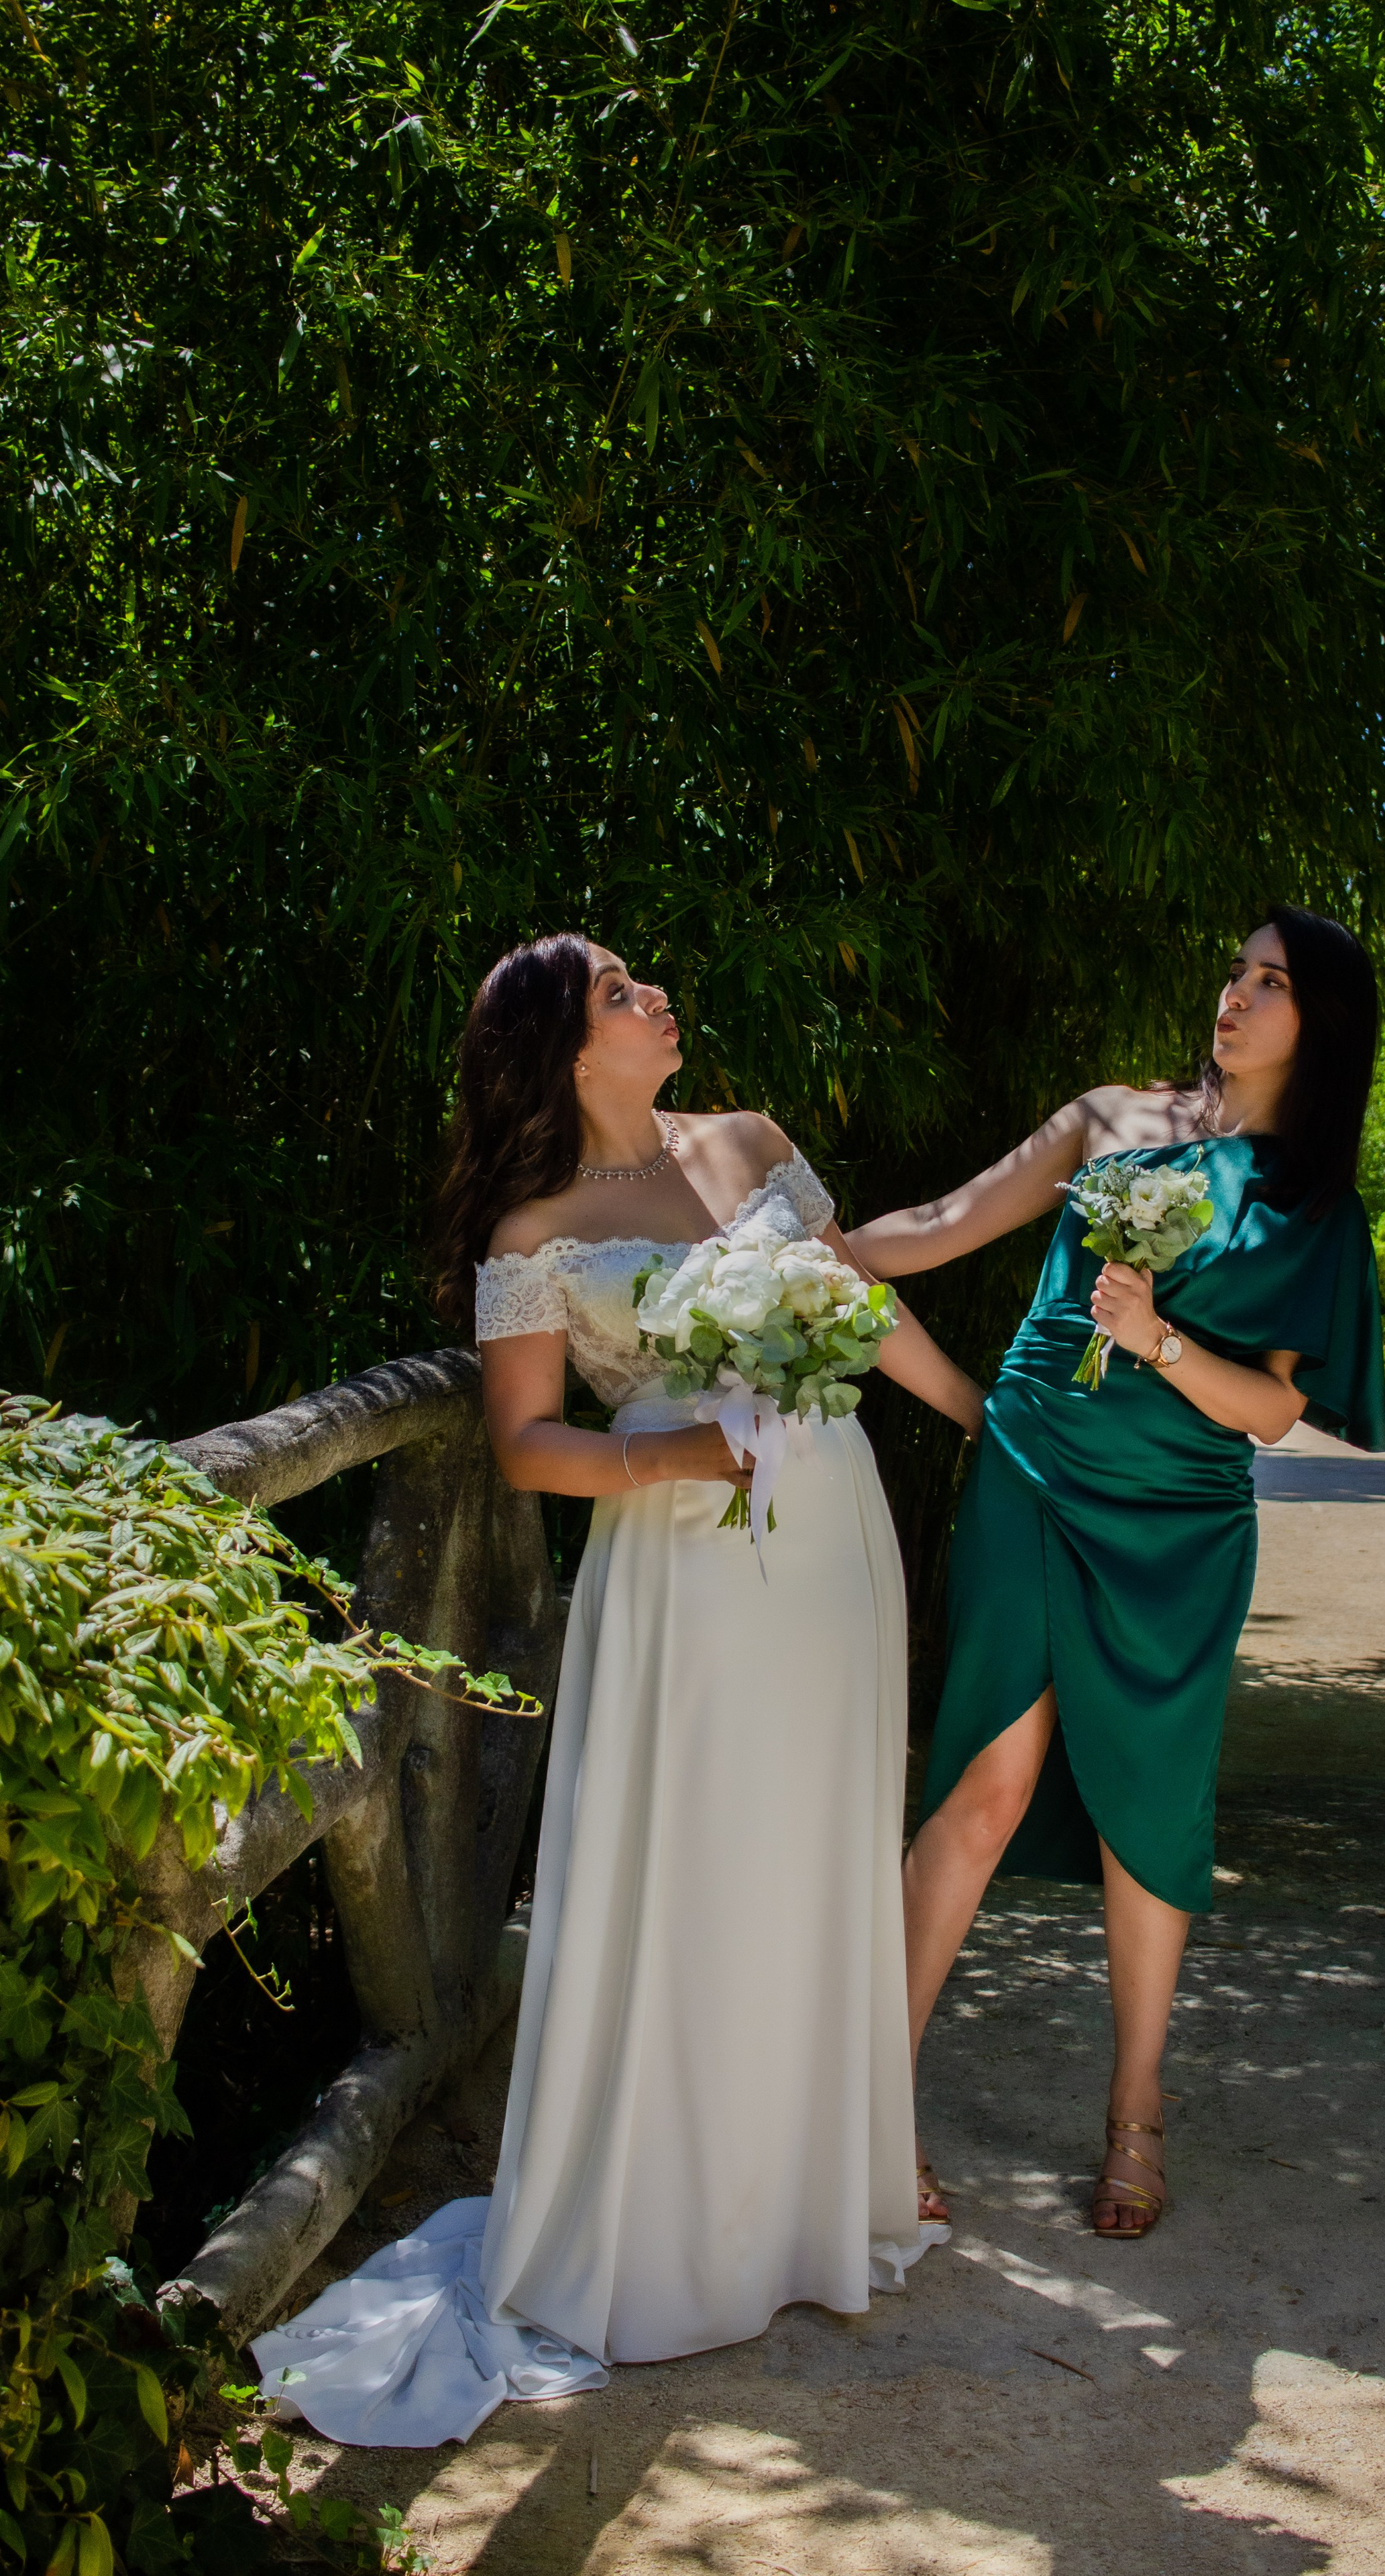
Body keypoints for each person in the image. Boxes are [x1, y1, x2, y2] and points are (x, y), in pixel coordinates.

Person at [252, 932, 983, 2443]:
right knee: (698, 1864)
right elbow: (527, 1443)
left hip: (831, 1528)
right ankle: (668, 2233)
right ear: (572, 1047)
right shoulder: (533, 1231)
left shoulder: (754, 1144)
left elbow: (863, 1298)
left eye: (645, 981)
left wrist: (979, 1416)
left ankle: (796, 2212)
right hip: (682, 1560)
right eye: (619, 990)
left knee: (813, 1854)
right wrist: (679, 1455)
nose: (656, 997)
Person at [846, 908, 1385, 2238]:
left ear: (1319, 1022)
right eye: (1235, 971)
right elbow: (948, 1221)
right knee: (985, 1781)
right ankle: (864, 2104)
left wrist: (1153, 1341)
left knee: (1148, 1806)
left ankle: (1136, 2110)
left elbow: (1271, 1411)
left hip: (1178, 1519)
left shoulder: (1314, 1204)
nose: (1236, 995)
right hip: (1033, 1472)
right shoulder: (1109, 1118)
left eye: (1271, 982)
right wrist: (813, 1247)